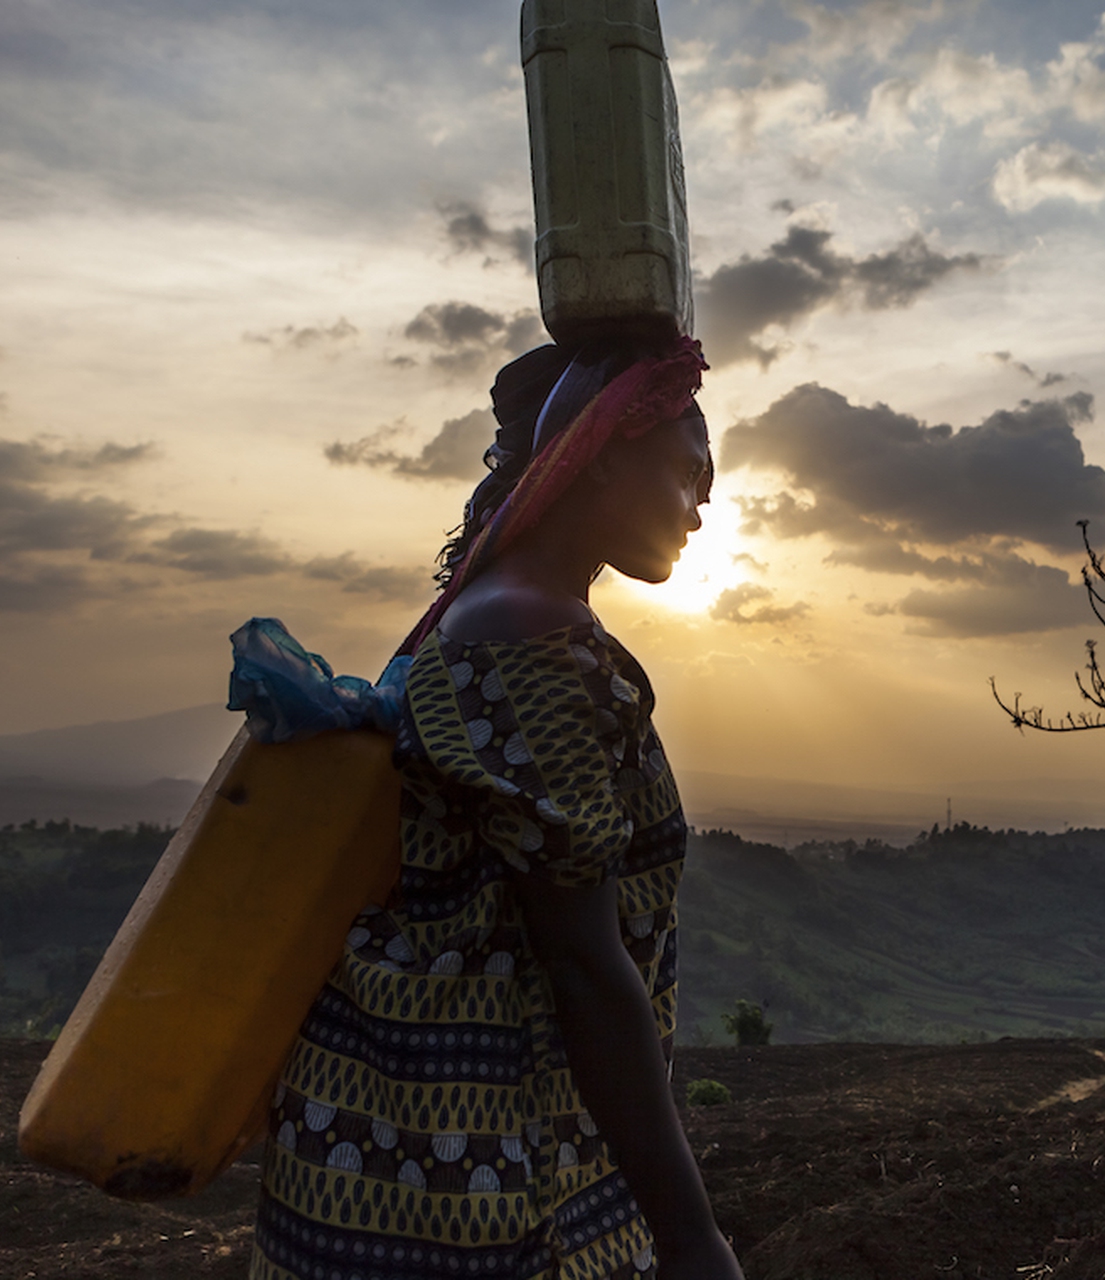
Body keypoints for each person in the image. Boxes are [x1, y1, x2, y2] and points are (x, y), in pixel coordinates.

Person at [250, 337, 743, 1280]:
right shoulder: (529, 636)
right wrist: (692, 1234)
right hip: (466, 1179)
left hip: (396, 1150)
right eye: (689, 471)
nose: (705, 502)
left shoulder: (501, 609)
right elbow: (584, 965)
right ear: (601, 455)